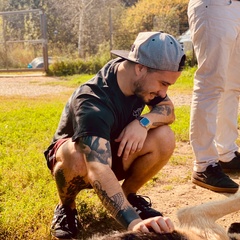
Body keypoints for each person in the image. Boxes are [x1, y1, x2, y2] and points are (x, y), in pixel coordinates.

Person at [44, 31, 186, 239]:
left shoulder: (140, 82)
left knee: (165, 136)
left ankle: (127, 198)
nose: (164, 92)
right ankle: (66, 208)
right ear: (140, 68)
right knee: (77, 157)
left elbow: (168, 110)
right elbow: (98, 168)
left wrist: (143, 122)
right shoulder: (92, 101)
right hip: (81, 163)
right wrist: (135, 224)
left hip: (116, 150)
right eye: (163, 83)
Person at [188, 0, 240, 193]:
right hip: (215, 6)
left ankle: (226, 153)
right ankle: (204, 165)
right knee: (210, 84)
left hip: (236, 9)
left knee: (233, 87)